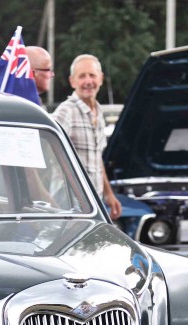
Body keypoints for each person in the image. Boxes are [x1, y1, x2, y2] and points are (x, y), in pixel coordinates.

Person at [52, 54, 122, 220]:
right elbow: (51, 150)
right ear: (72, 81)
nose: (88, 81)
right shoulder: (66, 111)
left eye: (92, 75)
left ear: (101, 78)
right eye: (82, 76)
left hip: (93, 201)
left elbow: (97, 158)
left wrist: (109, 194)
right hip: (68, 202)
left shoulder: (98, 111)